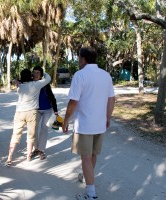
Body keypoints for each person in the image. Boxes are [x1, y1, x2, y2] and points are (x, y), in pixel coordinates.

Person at [62, 47, 115, 200]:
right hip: (100, 124)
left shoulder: (80, 75)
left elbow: (73, 102)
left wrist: (66, 120)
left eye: (79, 58)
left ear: (83, 58)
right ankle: (87, 177)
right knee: (93, 154)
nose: (78, 61)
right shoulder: (106, 75)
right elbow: (111, 99)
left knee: (85, 157)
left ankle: (91, 194)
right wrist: (108, 117)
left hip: (84, 124)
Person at [5, 68, 51, 166]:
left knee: (15, 135)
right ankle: (28, 157)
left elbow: (13, 81)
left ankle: (9, 158)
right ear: (30, 76)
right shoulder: (36, 85)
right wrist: (43, 72)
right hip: (31, 112)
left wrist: (15, 80)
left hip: (20, 112)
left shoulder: (19, 86)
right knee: (31, 135)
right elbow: (48, 78)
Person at [30, 66, 58, 160]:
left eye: (38, 73)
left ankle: (41, 150)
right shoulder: (30, 83)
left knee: (43, 130)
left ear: (41, 75)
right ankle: (36, 149)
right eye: (35, 72)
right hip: (36, 110)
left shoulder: (45, 84)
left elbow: (52, 96)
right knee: (33, 129)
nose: (36, 74)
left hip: (47, 110)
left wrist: (56, 110)